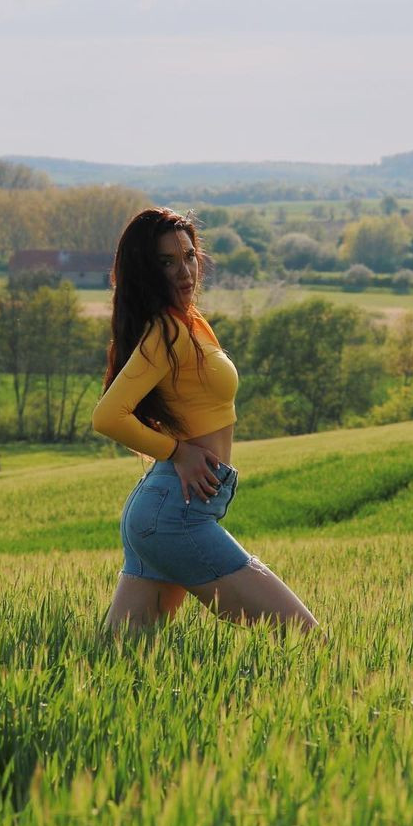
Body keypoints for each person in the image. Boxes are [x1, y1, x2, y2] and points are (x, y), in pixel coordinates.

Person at [92, 207, 319, 633]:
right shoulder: (167, 332)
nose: (185, 271)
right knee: (305, 638)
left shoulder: (189, 323)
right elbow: (107, 416)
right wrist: (177, 452)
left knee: (119, 662)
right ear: (146, 270)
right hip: (174, 515)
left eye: (189, 256)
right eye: (167, 262)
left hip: (168, 512)